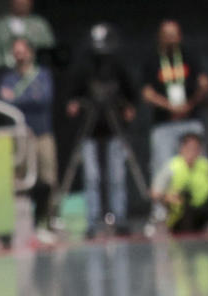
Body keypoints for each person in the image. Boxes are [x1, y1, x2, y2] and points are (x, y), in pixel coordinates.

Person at [67, 25, 134, 237]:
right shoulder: (83, 67)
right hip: (90, 128)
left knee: (117, 176)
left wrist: (128, 107)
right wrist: (75, 104)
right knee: (92, 177)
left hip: (114, 128)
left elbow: (131, 93)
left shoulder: (117, 65)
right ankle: (93, 221)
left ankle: (120, 217)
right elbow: (72, 96)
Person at [0, 37, 55, 237]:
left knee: (47, 179)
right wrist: (29, 98)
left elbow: (44, 99)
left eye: (23, 50)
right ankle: (21, 226)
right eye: (16, 51)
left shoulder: (42, 75)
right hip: (20, 136)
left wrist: (17, 99)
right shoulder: (8, 78)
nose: (19, 55)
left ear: (31, 52)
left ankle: (46, 223)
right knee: (20, 181)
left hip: (42, 133)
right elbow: (4, 103)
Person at [141, 20, 208, 181]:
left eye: (174, 35)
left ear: (180, 36)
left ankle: (201, 205)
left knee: (199, 166)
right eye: (167, 36)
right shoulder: (152, 59)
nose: (171, 39)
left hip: (190, 120)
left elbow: (204, 84)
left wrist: (189, 105)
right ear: (160, 37)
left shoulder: (189, 55)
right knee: (164, 170)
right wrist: (170, 107)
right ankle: (161, 206)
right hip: (164, 123)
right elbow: (146, 93)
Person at [153, 129, 208, 233]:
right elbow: (155, 193)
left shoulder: (205, 166)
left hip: (202, 215)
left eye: (195, 149)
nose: (192, 153)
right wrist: (168, 197)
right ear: (182, 148)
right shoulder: (172, 167)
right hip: (179, 217)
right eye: (189, 148)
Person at [0, 0, 55, 71]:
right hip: (5, 70)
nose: (21, 6)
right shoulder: (0, 25)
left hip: (35, 70)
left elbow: (48, 48)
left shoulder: (39, 24)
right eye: (18, 3)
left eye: (24, 3)